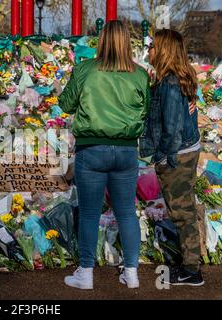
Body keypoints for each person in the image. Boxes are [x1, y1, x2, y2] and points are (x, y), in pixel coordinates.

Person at [58, 20, 150, 290]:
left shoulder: (86, 70)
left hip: (92, 148)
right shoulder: (140, 74)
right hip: (125, 150)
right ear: (127, 42)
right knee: (126, 213)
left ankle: (85, 273)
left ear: (102, 40)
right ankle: (131, 272)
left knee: (89, 213)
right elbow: (144, 111)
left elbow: (65, 104)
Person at [140, 29, 204, 286]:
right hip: (188, 148)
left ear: (164, 50)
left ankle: (191, 269)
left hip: (177, 153)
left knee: (181, 210)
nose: (148, 51)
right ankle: (190, 264)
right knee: (183, 207)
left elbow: (173, 128)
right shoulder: (179, 77)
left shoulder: (169, 83)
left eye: (153, 46)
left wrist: (163, 158)